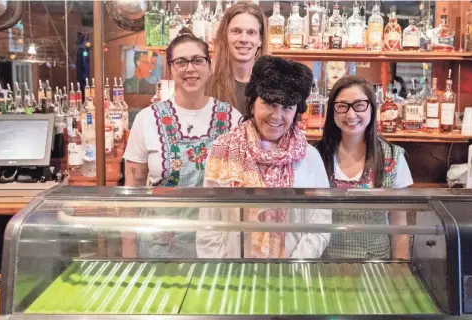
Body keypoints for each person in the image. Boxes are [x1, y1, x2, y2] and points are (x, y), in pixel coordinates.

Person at [122, 28, 243, 258]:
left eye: (197, 60)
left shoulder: (232, 119)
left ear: (209, 65)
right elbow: (132, 195)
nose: (190, 69)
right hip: (159, 246)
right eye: (181, 62)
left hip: (216, 245)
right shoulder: (147, 120)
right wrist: (128, 250)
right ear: (170, 68)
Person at [197, 56, 331, 259]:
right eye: (269, 103)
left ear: (296, 111)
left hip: (291, 277)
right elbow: (209, 223)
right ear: (252, 104)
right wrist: (224, 270)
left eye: (287, 107)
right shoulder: (223, 149)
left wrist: (293, 267)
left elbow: (320, 223)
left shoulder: (309, 157)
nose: (277, 116)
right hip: (233, 276)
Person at [315, 75, 414, 259]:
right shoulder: (315, 156)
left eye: (359, 105)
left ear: (371, 108)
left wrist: (400, 275)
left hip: (375, 269)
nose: (351, 115)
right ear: (332, 111)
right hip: (324, 267)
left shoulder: (393, 157)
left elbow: (399, 229)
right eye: (342, 106)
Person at [207, 2, 269, 115]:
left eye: (251, 32)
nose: (243, 39)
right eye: (236, 31)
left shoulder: (275, 87)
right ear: (225, 36)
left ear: (260, 40)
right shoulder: (207, 88)